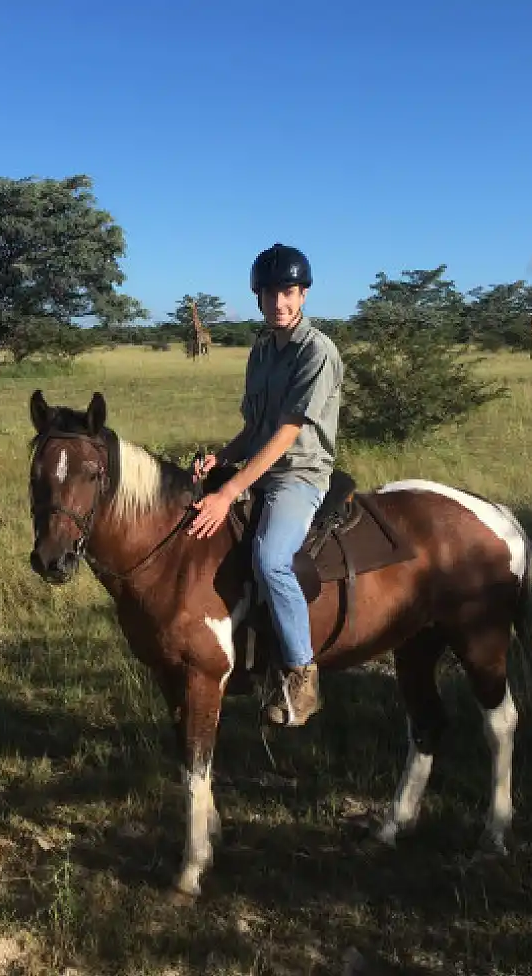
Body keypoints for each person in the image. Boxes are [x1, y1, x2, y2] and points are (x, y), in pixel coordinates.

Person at [188, 243, 344, 727]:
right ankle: (242, 658)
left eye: (289, 293)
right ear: (258, 297)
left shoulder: (317, 351)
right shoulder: (261, 350)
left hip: (298, 473)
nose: (280, 302)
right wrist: (224, 457)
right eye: (271, 293)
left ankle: (301, 672)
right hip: (258, 462)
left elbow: (285, 434)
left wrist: (229, 490)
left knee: (272, 559)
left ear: (303, 295)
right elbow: (255, 429)